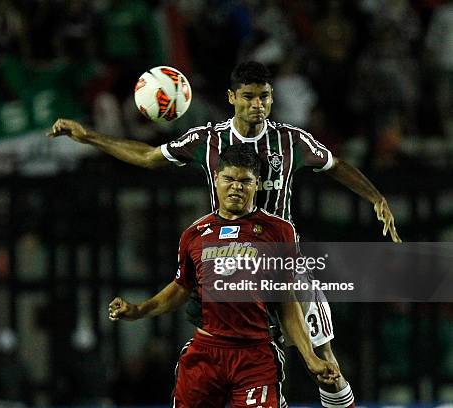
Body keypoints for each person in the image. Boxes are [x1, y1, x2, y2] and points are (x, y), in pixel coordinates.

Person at [50, 61, 401, 408]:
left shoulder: (291, 141)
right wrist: (89, 136)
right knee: (225, 352)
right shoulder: (208, 140)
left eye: (264, 97)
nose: (257, 105)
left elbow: (335, 165)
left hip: (282, 265)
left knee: (323, 359)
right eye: (248, 97)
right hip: (229, 264)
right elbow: (148, 157)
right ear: (232, 97)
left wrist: (376, 197)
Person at [108, 144, 340, 407]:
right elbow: (180, 288)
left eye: (245, 181)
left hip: (255, 356)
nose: (236, 187)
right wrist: (139, 310)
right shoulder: (194, 234)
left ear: (257, 184)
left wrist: (310, 358)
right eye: (229, 178)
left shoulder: (279, 231)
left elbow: (287, 301)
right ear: (216, 179)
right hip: (205, 354)